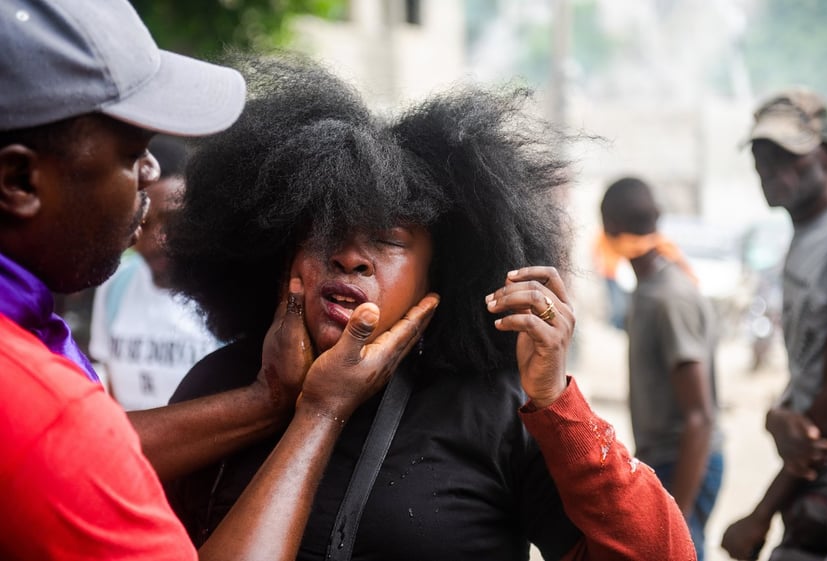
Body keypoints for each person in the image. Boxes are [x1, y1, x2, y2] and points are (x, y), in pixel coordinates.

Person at [164, 54, 696, 561]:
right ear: (280, 249)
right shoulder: (222, 385)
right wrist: (275, 401)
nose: (350, 257)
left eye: (387, 240)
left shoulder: (498, 412)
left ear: (438, 274)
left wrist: (559, 406)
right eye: (325, 231)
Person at [0, 1, 437, 559]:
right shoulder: (38, 405)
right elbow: (66, 445)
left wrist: (269, 399)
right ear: (18, 180)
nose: (153, 170)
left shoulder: (497, 410)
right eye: (132, 153)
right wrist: (320, 412)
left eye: (387, 239)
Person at [721, 88, 827, 560]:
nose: (769, 167)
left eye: (786, 153)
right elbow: (813, 374)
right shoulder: (806, 238)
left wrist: (760, 513)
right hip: (816, 488)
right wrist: (776, 418)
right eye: (760, 153)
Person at [599, 177, 723, 560]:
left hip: (684, 460)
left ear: (611, 229)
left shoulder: (669, 298)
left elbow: (700, 416)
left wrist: (678, 515)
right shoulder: (648, 291)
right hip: (666, 458)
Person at [89, 135, 222, 410]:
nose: (158, 240)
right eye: (142, 221)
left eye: (173, 221)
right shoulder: (115, 284)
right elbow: (110, 381)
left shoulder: (225, 293)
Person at [592, 228, 630, 330]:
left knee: (616, 298)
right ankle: (617, 323)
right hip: (610, 272)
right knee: (616, 299)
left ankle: (617, 321)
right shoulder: (603, 236)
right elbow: (596, 252)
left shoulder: (613, 236)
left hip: (617, 272)